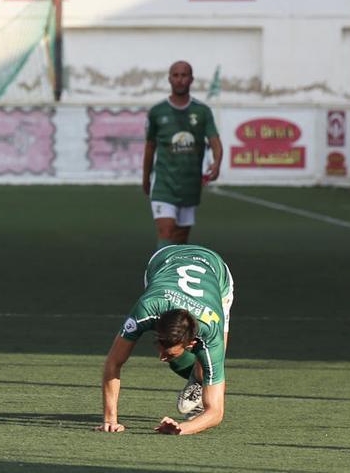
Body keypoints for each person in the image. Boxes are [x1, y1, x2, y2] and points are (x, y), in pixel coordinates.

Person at [96, 244, 235, 435]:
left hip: (216, 272)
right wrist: (110, 420)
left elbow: (216, 413)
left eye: (168, 353)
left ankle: (198, 379)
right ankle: (197, 378)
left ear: (191, 343)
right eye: (159, 346)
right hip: (164, 259)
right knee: (203, 369)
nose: (160, 357)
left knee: (208, 369)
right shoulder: (147, 309)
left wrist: (180, 428)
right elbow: (113, 362)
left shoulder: (211, 329)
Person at [142, 61, 223, 249]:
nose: (180, 80)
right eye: (176, 75)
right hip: (164, 185)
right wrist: (146, 178)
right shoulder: (157, 112)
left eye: (184, 75)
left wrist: (217, 163)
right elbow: (149, 147)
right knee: (166, 232)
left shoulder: (202, 112)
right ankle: (161, 277)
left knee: (180, 239)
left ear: (191, 79)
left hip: (190, 186)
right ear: (169, 79)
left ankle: (174, 274)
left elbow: (215, 142)